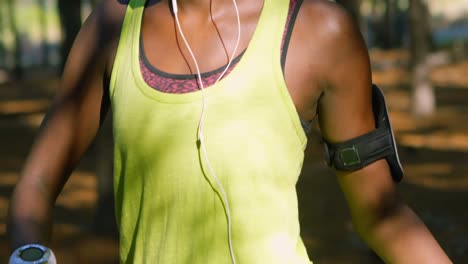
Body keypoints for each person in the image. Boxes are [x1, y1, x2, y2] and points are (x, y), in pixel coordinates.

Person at [8, 0, 452, 263]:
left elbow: (382, 215)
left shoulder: (318, 29)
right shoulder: (113, 25)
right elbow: (38, 183)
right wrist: (27, 255)